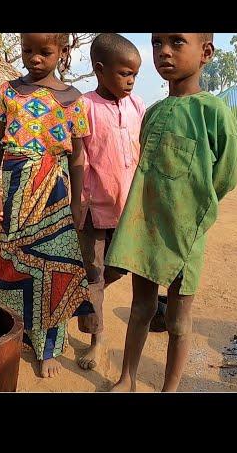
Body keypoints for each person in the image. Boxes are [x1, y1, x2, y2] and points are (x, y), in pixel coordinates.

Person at [105, 33, 237, 392]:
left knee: (179, 322)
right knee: (141, 309)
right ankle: (127, 377)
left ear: (206, 53)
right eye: (157, 43)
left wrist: (193, 210)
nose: (164, 51)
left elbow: (226, 176)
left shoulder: (213, 113)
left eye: (177, 42)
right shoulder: (152, 113)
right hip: (145, 229)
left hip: (186, 236)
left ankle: (170, 389)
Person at [0, 33, 94, 378]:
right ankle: (16, 333)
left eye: (44, 51)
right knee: (14, 263)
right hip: (15, 189)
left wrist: (77, 202)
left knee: (55, 266)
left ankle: (49, 346)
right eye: (27, 49)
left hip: (55, 194)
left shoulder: (73, 99)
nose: (34, 57)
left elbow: (77, 157)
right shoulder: (7, 91)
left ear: (63, 52)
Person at [70, 33, 146, 371]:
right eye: (124, 73)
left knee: (120, 266)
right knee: (96, 273)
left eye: (134, 75)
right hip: (92, 209)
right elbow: (75, 158)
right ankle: (98, 339)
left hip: (128, 209)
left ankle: (82, 292)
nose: (130, 81)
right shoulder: (84, 106)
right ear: (100, 70)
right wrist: (74, 201)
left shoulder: (138, 106)